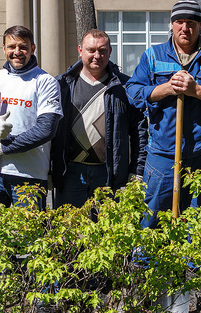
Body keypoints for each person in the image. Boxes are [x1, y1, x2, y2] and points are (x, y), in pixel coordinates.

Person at [126, 0, 201, 223]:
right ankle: (145, 260)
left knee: (200, 224)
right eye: (179, 22)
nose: (185, 28)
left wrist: (196, 90)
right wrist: (167, 88)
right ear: (172, 24)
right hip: (163, 154)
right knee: (152, 220)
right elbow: (132, 92)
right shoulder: (153, 56)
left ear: (200, 25)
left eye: (191, 22)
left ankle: (193, 260)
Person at [0, 25, 62, 211]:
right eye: (11, 47)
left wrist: (5, 147)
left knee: (30, 237)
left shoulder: (45, 82)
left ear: (32, 49)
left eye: (23, 47)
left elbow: (46, 129)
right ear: (3, 48)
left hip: (30, 176)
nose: (17, 52)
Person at [51, 30, 146, 206]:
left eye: (102, 50)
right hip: (71, 172)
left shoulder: (126, 87)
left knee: (107, 231)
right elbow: (50, 130)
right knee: (67, 229)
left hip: (109, 174)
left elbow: (139, 132)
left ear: (110, 51)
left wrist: (136, 170)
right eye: (91, 50)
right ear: (80, 50)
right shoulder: (61, 85)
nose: (97, 56)